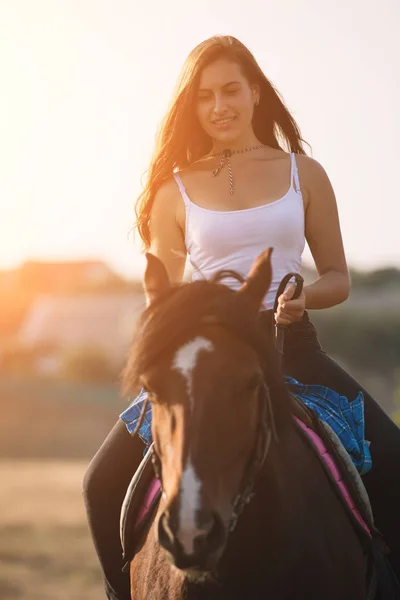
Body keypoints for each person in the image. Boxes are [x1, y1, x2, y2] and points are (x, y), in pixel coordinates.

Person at [82, 35, 400, 600]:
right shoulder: (172, 189)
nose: (219, 105)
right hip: (206, 357)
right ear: (192, 106)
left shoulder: (305, 173)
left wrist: (301, 298)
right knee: (100, 484)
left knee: (396, 461)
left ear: (255, 92)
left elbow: (338, 277)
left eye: (231, 90)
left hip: (291, 348)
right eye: (204, 96)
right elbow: (164, 292)